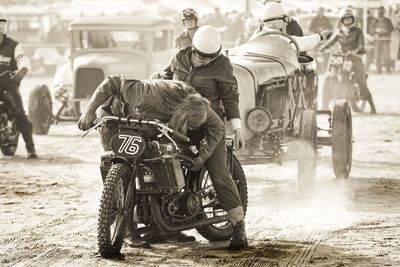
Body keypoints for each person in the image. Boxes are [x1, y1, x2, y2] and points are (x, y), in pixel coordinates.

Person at [77, 77, 248, 250]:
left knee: (218, 172)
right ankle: (127, 226)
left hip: (152, 125)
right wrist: (89, 112)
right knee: (121, 168)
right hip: (116, 121)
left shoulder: (197, 104)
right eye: (191, 126)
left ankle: (239, 226)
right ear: (181, 115)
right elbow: (112, 82)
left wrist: (202, 157)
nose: (192, 131)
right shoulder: (145, 95)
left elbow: (217, 128)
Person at [161, 25, 245, 152]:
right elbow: (162, 81)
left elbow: (230, 99)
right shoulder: (179, 57)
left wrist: (237, 130)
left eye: (210, 58)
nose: (206, 61)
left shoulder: (223, 65)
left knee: (218, 170)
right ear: (194, 49)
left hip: (208, 127)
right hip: (177, 123)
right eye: (201, 57)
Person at [321, 7, 377, 114]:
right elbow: (330, 42)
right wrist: (322, 48)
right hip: (341, 58)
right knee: (329, 76)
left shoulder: (358, 31)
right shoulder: (339, 32)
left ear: (353, 19)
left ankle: (372, 106)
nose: (347, 21)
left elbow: (361, 44)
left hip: (355, 58)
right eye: (345, 19)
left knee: (361, 83)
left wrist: (357, 49)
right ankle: (325, 105)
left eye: (349, 19)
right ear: (341, 20)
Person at [0, 13, 37, 158]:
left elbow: (23, 59)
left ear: (3, 27)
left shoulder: (14, 45)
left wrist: (21, 71)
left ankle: (30, 147)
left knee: (19, 113)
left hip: (9, 84)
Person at [250, 2, 332, 52]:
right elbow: (301, 43)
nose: (286, 24)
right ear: (278, 21)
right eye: (284, 20)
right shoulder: (278, 38)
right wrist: (320, 36)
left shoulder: (257, 34)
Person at [371, 6, 394, 73]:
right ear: (378, 12)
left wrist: (385, 30)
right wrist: (376, 30)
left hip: (385, 39)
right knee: (377, 56)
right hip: (377, 40)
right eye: (379, 11)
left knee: (386, 55)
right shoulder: (374, 21)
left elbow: (391, 29)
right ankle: (378, 70)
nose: (381, 13)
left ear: (384, 12)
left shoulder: (388, 20)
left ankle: (388, 70)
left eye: (382, 11)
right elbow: (371, 29)